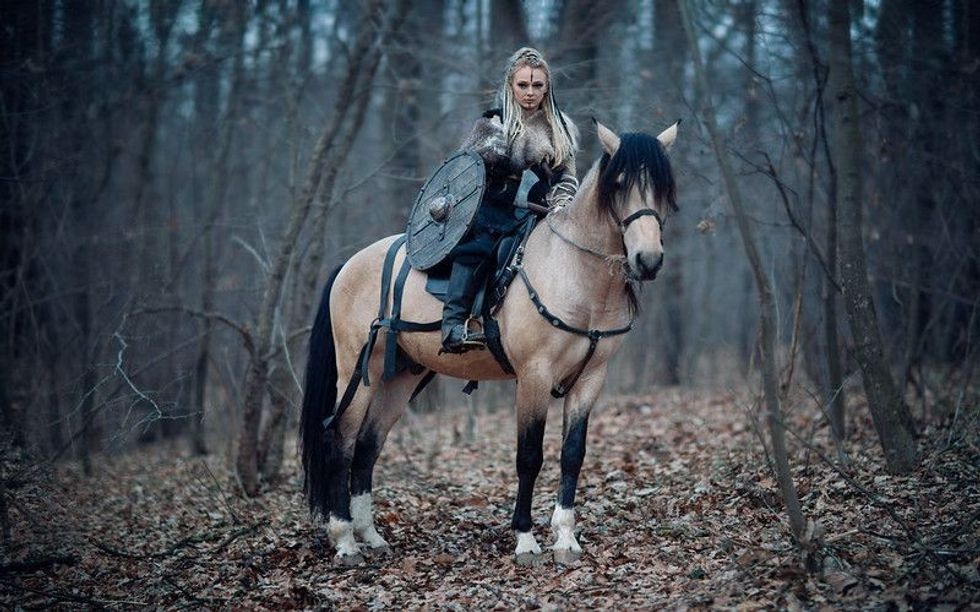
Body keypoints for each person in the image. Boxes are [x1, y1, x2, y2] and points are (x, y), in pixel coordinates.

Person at [441, 47, 579, 354]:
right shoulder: (492, 125)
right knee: (477, 248)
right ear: (510, 85)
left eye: (537, 86)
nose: (530, 92)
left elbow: (567, 177)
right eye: (523, 85)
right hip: (493, 211)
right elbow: (465, 172)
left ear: (547, 87)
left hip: (542, 213)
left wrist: (561, 203)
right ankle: (453, 324)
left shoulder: (561, 130)